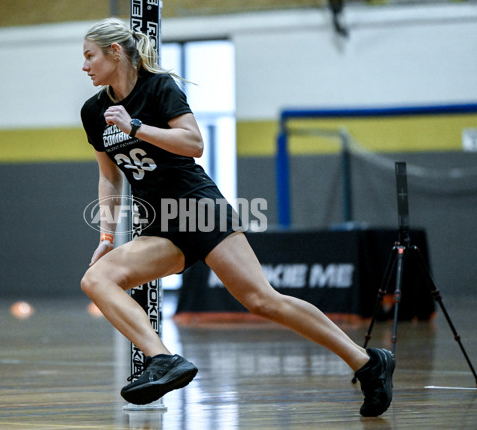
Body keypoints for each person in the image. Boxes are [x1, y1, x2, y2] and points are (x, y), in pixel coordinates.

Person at [79, 17, 395, 417]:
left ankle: (367, 362)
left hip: (198, 208)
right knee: (97, 278)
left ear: (114, 52)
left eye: (89, 56)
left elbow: (194, 144)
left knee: (261, 299)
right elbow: (110, 178)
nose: (85, 66)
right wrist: (107, 238)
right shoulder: (93, 111)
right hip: (159, 224)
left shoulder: (158, 88)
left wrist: (138, 126)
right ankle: (163, 359)